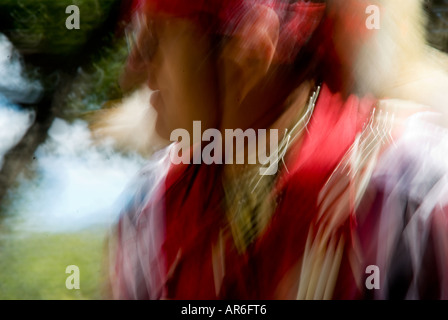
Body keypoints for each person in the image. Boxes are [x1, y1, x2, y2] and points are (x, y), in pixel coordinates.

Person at [105, 0, 448, 299]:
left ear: (251, 46)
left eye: (155, 38)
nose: (131, 71)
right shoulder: (151, 217)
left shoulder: (408, 194)